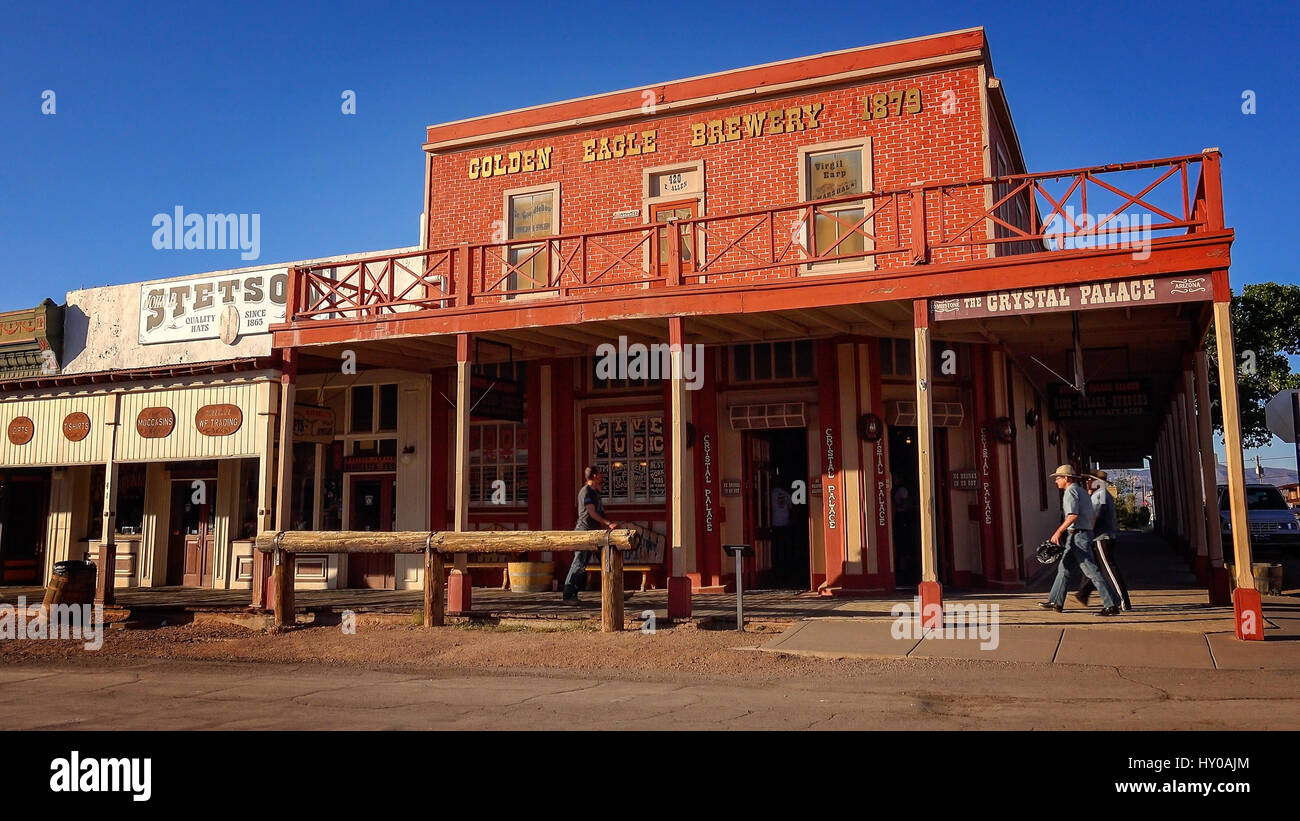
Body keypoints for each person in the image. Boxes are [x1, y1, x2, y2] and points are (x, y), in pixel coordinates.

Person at [1038, 464, 1122, 616]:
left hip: (1078, 535)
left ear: (1066, 478)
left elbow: (1073, 515)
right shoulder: (1081, 491)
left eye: (1058, 477)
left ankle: (1111, 604)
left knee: (1091, 571)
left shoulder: (1071, 492)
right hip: (1078, 534)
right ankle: (1055, 600)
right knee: (1064, 569)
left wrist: (1058, 532)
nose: (1056, 480)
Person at [1076, 469, 1132, 610]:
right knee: (1094, 567)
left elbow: (1093, 516)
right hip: (1101, 536)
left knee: (1108, 568)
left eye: (1090, 480)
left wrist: (1086, 532)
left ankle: (1122, 601)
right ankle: (1083, 593)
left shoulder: (1100, 495)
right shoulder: (1100, 494)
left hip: (1102, 537)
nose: (1087, 482)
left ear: (1097, 481)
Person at [561, 466, 617, 605]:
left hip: (595, 531)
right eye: (599, 475)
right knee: (579, 562)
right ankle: (568, 594)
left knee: (606, 560)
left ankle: (611, 594)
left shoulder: (595, 492)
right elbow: (591, 512)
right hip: (584, 531)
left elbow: (599, 512)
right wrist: (608, 523)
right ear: (594, 476)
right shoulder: (585, 492)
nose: (601, 477)